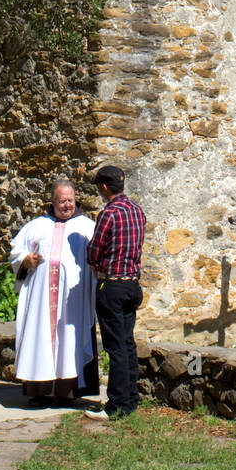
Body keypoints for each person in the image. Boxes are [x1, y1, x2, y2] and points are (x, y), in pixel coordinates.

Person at [9, 179, 99, 407]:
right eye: (62, 201)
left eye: (70, 200)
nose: (67, 205)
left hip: (72, 302)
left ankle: (66, 393)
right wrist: (26, 260)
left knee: (69, 341)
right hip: (41, 301)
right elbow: (15, 252)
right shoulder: (36, 226)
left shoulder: (87, 227)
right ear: (52, 201)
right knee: (40, 339)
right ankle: (40, 393)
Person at [84, 164, 145, 421]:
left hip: (112, 284)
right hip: (132, 284)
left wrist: (95, 262)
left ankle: (117, 404)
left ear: (104, 187)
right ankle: (130, 397)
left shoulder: (108, 214)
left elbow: (94, 252)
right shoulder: (137, 211)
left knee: (115, 345)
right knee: (128, 343)